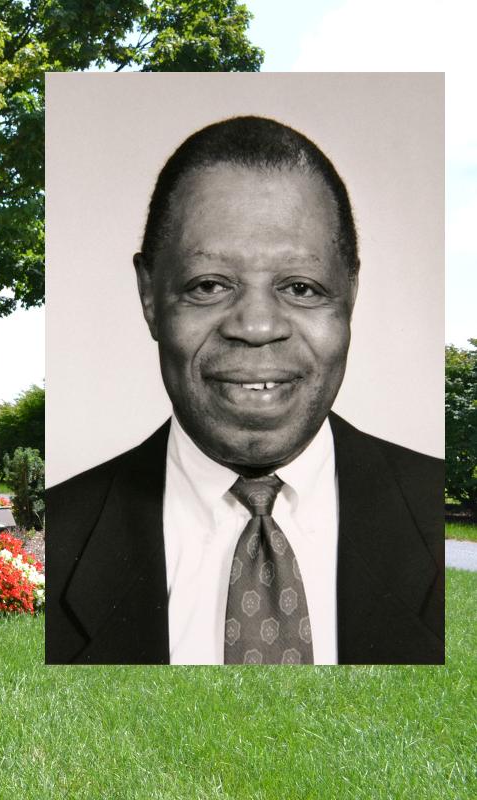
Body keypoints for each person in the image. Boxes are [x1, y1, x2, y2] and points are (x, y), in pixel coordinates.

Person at [46, 116, 444, 665]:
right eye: (209, 286)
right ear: (149, 296)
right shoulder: (55, 540)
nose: (256, 327)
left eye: (301, 287)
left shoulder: (436, 517)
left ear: (350, 292)